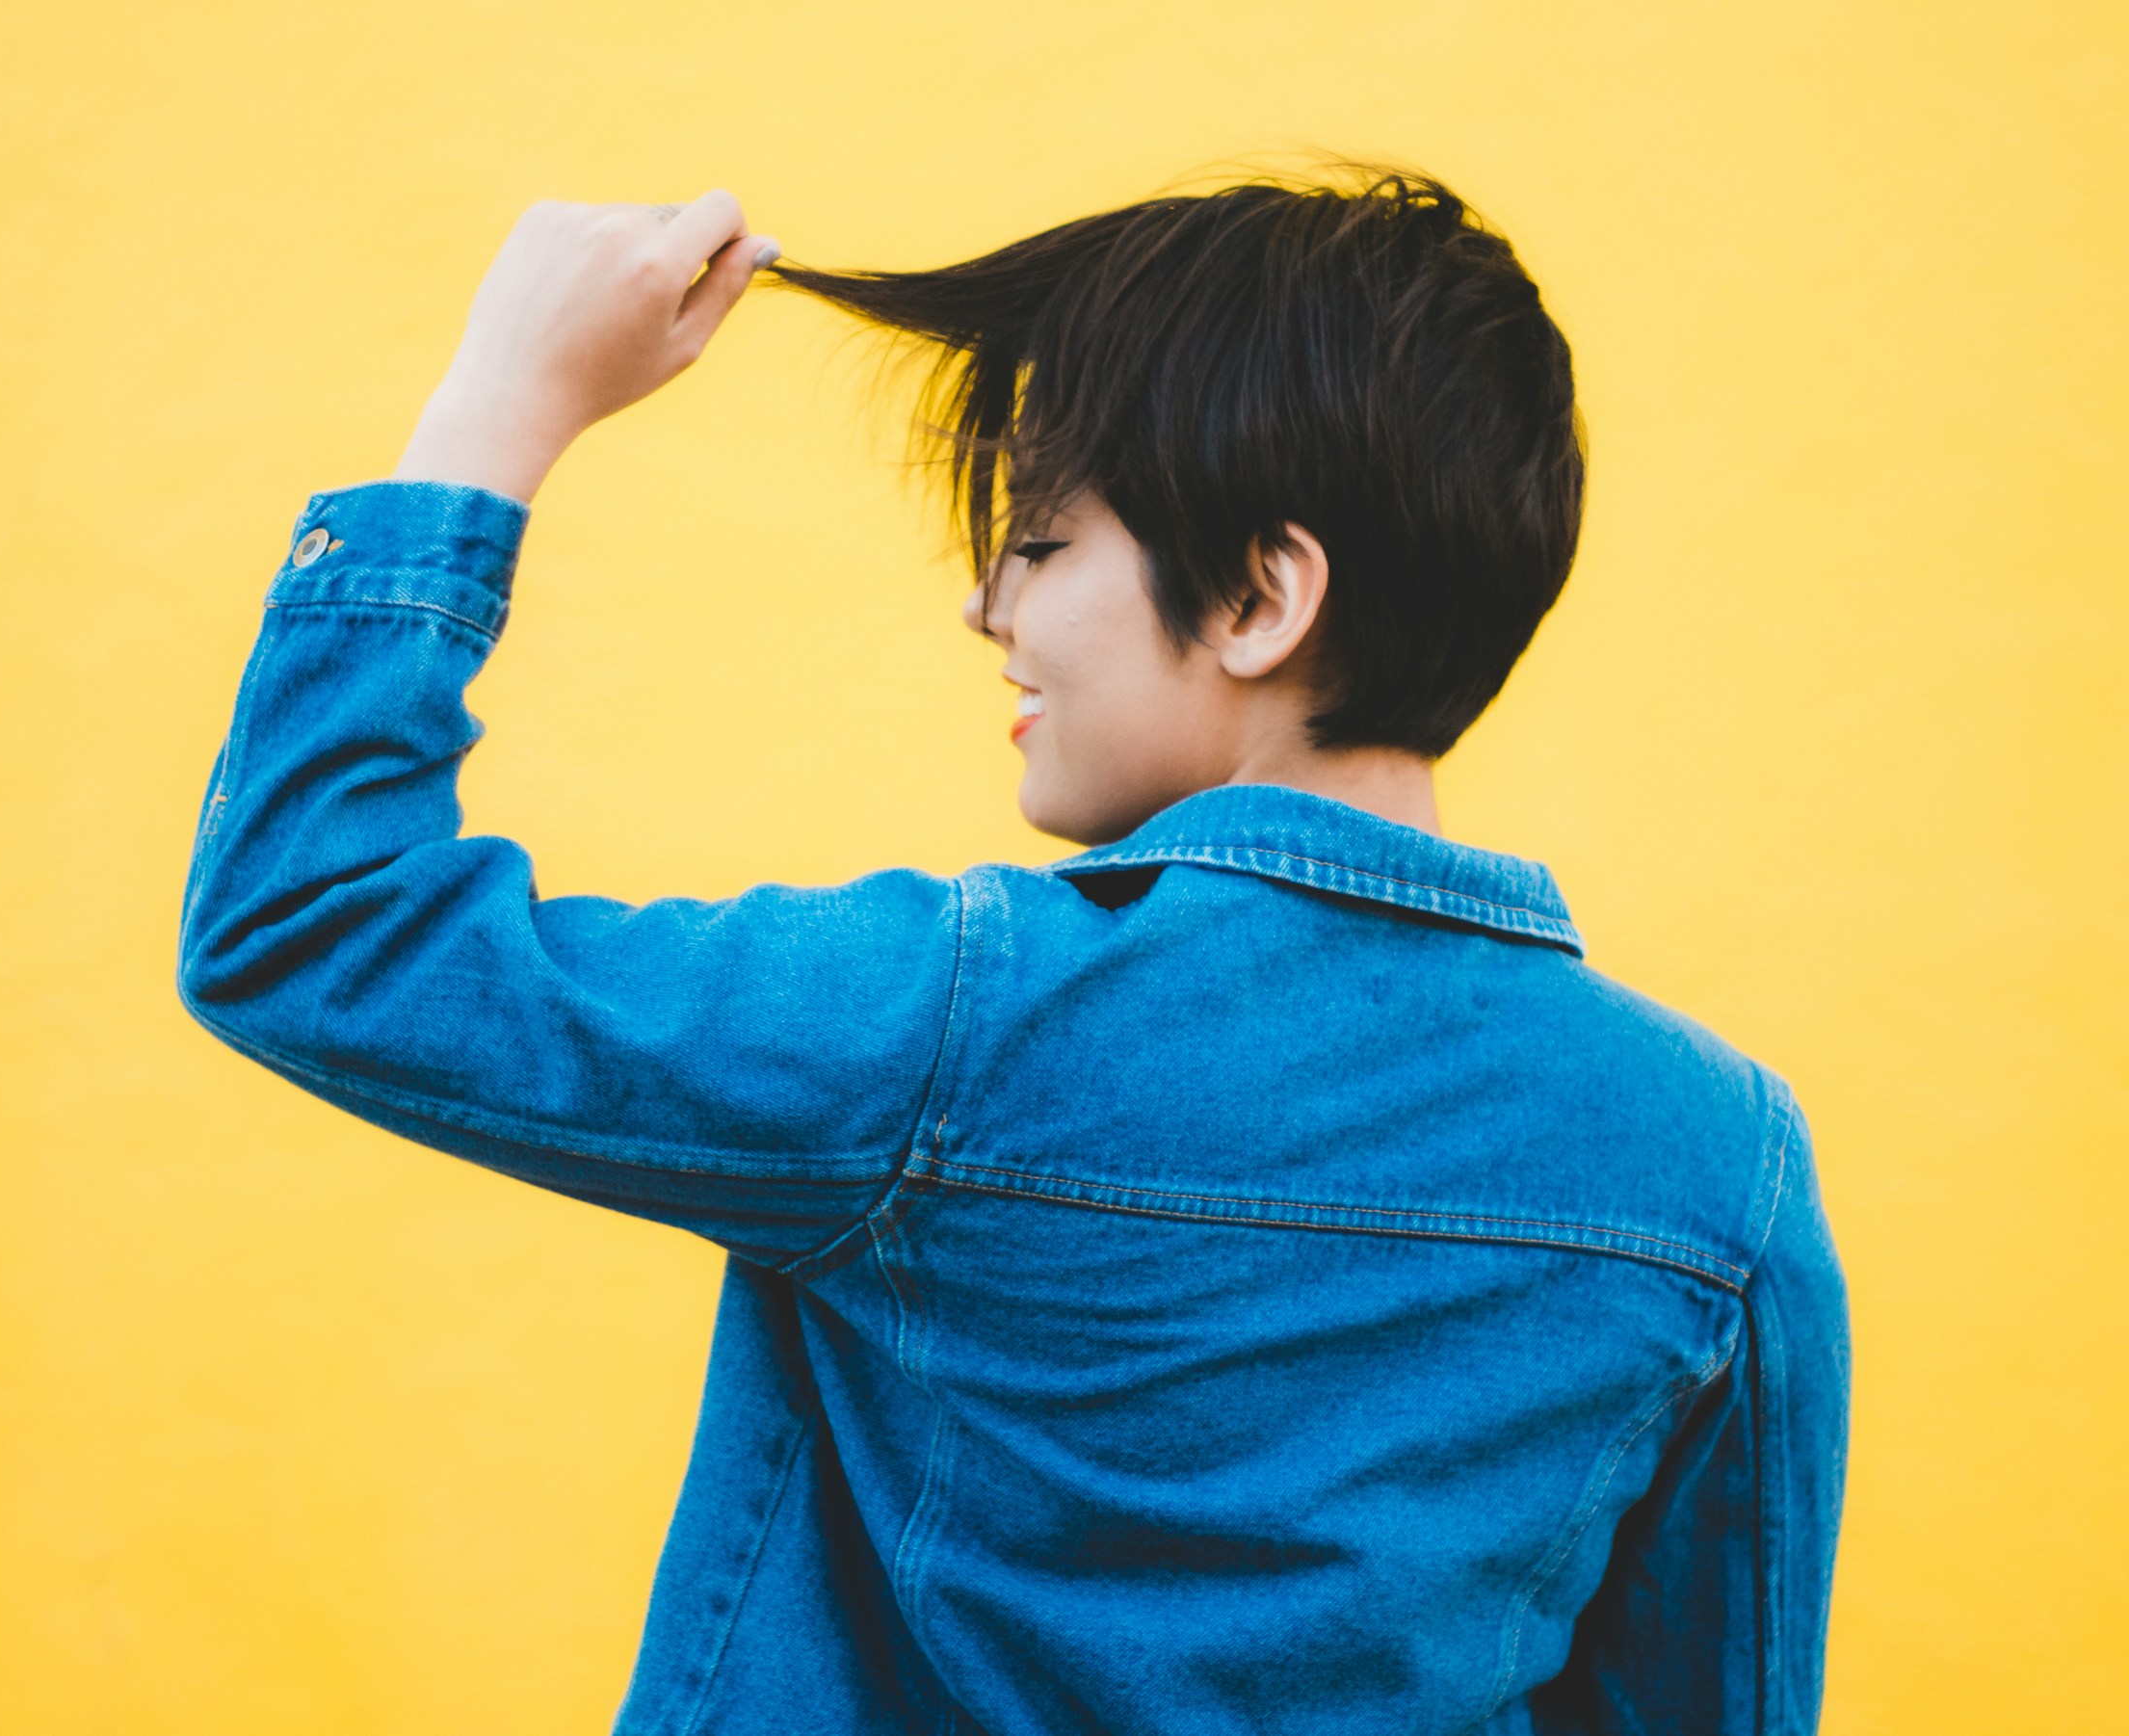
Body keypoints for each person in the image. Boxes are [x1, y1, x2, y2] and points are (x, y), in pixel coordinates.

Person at [177, 170, 1848, 1734]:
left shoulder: (957, 1022)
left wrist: (497, 408)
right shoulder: (1723, 1166)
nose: (990, 604)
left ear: (1265, 597)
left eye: (1042, 539)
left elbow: (308, 921)